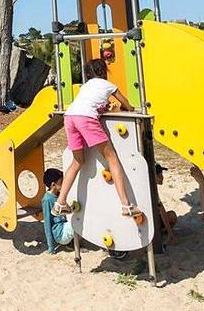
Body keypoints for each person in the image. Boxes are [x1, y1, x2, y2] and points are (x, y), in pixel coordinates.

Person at [53, 58, 141, 219]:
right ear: (103, 71)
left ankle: (60, 202)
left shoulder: (85, 86)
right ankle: (126, 205)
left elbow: (91, 103)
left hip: (70, 117)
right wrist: (131, 108)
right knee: (112, 158)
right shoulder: (107, 85)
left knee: (77, 161)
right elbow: (126, 103)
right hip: (86, 119)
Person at [40, 168, 74, 254]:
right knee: (78, 222)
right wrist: (51, 247)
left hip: (64, 227)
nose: (64, 184)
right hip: (60, 233)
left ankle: (71, 244)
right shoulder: (47, 200)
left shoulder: (59, 194)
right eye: (62, 182)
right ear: (53, 184)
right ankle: (73, 245)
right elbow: (47, 223)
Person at [154, 163, 177, 243]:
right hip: (151, 221)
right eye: (160, 175)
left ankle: (159, 233)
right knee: (172, 216)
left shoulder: (150, 187)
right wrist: (170, 232)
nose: (162, 177)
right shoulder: (152, 190)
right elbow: (161, 210)